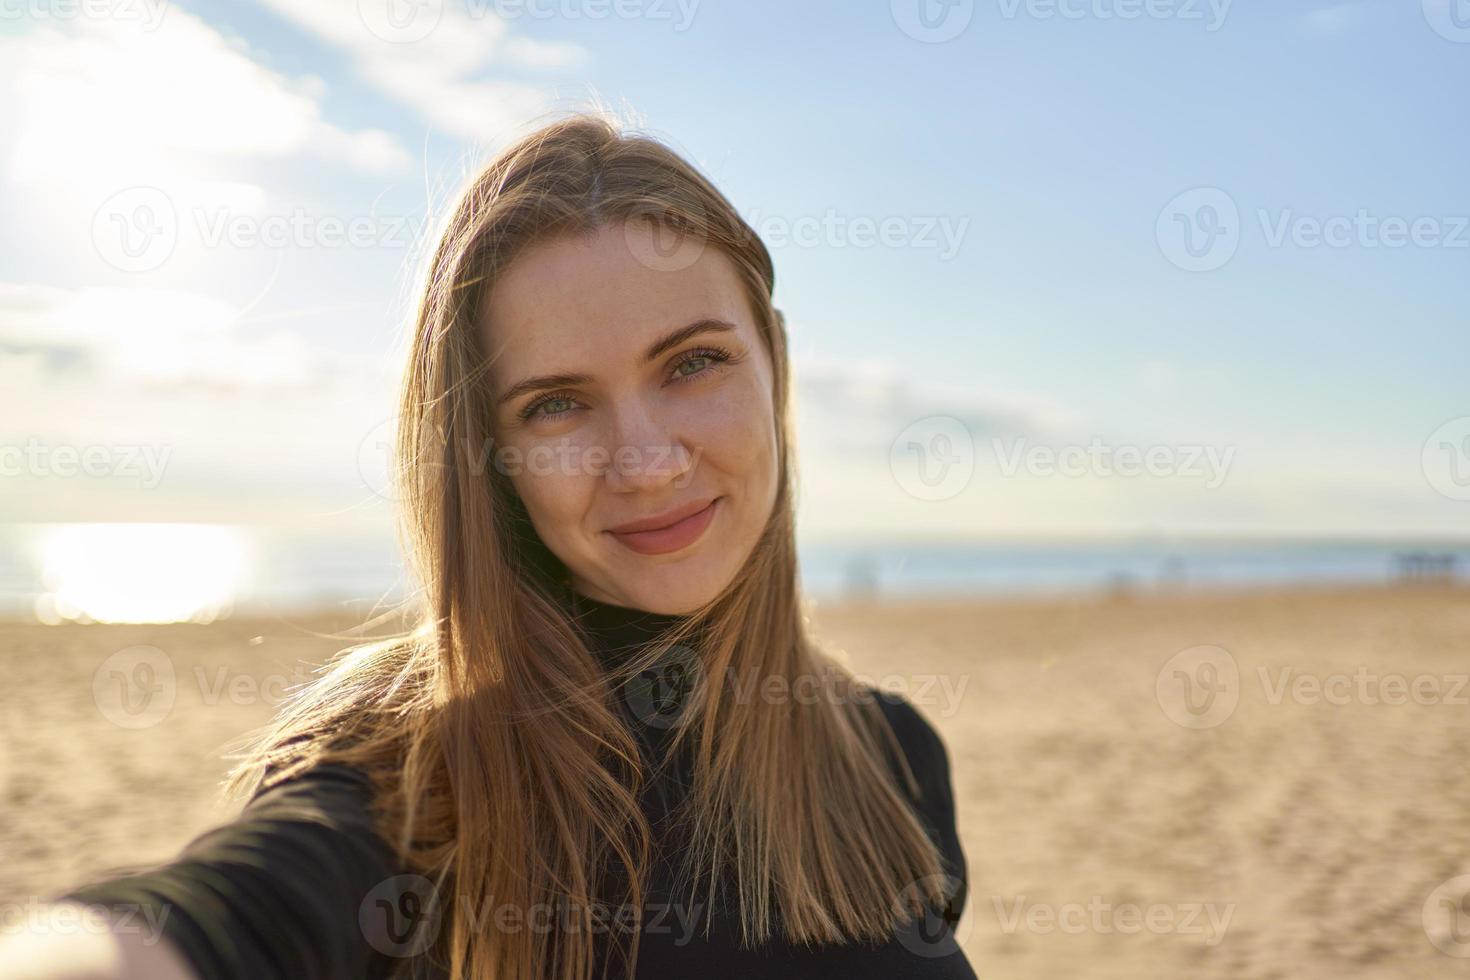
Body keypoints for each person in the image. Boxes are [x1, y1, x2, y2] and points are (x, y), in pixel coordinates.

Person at [6, 110, 974, 980]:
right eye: (556, 403)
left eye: (694, 361)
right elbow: (237, 909)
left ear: (775, 364)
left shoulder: (886, 751)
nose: (644, 460)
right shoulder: (402, 769)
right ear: (489, 457)